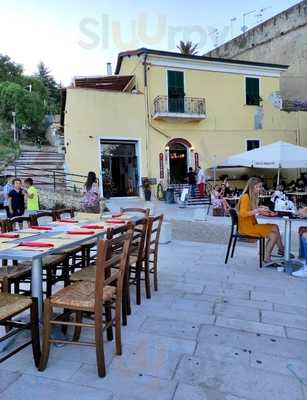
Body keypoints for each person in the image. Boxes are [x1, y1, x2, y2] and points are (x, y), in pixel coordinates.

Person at [238, 177, 284, 264]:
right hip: (247, 227)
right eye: (258, 187)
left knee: (274, 232)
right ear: (252, 187)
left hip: (251, 225)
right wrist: (258, 210)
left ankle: (269, 257)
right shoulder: (245, 197)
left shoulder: (250, 196)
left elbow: (252, 209)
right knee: (274, 228)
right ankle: (281, 250)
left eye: (260, 187)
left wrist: (261, 208)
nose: (259, 189)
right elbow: (242, 213)